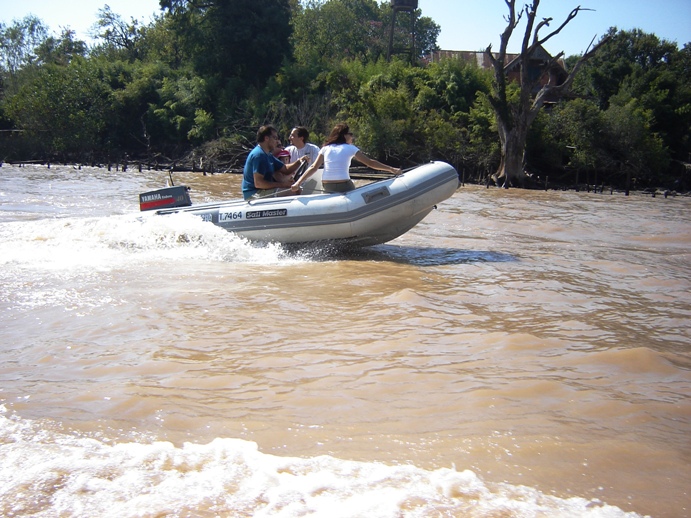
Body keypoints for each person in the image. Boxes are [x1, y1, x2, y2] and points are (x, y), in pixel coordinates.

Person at [291, 123, 401, 194]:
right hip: (344, 185)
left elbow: (314, 167)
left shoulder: (325, 148)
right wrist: (392, 169)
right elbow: (370, 163)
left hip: (327, 186)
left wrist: (298, 183)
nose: (352, 137)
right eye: (350, 134)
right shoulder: (350, 148)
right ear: (344, 135)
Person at [242, 125, 309, 200]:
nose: (277, 141)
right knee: (293, 192)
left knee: (296, 189)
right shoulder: (259, 155)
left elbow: (285, 169)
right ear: (266, 138)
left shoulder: (268, 155)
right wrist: (284, 185)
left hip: (263, 191)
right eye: (275, 138)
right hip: (254, 194)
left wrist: (299, 161)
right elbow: (259, 183)